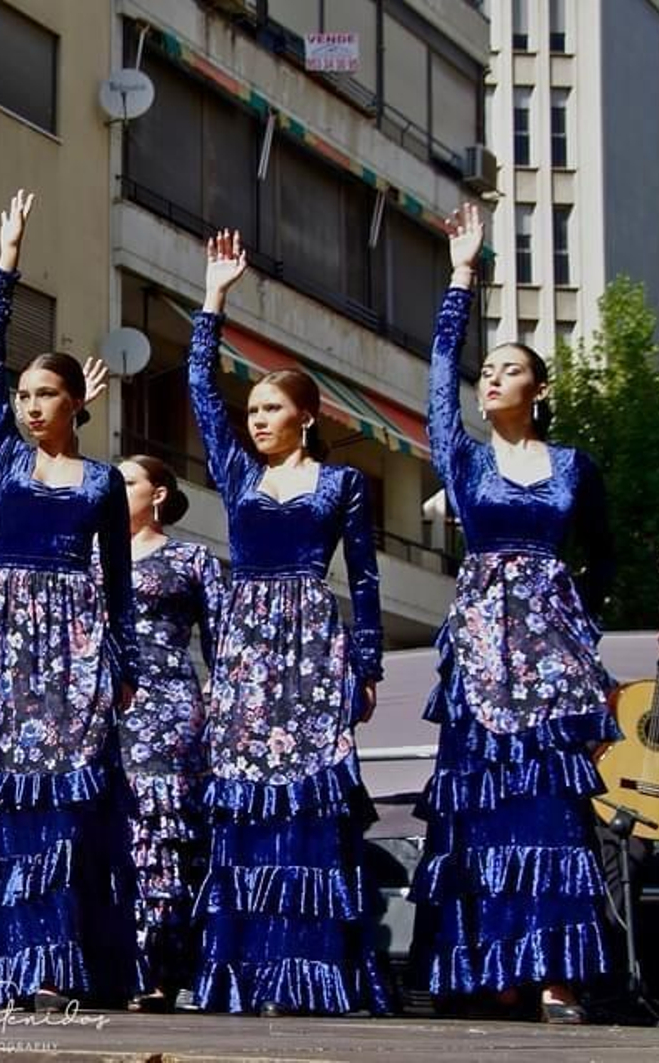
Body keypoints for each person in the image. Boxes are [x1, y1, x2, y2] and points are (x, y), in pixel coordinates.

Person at [410, 202, 628, 1024]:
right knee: (484, 808)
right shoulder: (464, 460)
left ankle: (555, 975)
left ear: (539, 389)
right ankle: (495, 968)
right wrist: (461, 278)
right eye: (488, 370)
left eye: (507, 370)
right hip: (481, 649)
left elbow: (603, 552)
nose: (490, 378)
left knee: (551, 809)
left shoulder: (576, 465)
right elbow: (439, 372)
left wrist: (585, 623)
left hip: (553, 655)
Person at [185, 230, 388, 1016]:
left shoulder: (343, 483)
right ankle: (247, 971)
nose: (258, 418)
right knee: (246, 797)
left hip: (311, 638)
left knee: (308, 799)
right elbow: (201, 389)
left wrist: (365, 666)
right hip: (247, 645)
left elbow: (365, 580)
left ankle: (309, 969)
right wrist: (213, 300)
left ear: (306, 416)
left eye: (273, 408)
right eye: (256, 408)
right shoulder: (238, 474)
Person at [0, 190, 140, 1011]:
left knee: (67, 798)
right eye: (23, 395)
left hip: (75, 639)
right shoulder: (2, 457)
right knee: (6, 794)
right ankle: (1, 963)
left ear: (75, 403)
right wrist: (9, 263)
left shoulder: (102, 481)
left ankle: (59, 964)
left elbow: (121, 583)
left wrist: (122, 662)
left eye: (44, 394)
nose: (29, 405)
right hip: (9, 635)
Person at [115, 454, 224, 1011]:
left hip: (169, 704)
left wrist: (225, 711)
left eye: (128, 482)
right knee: (112, 832)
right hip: (103, 708)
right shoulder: (92, 558)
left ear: (157, 494)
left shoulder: (192, 557)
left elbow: (220, 645)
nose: (116, 489)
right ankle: (111, 963)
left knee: (162, 834)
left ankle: (160, 967)